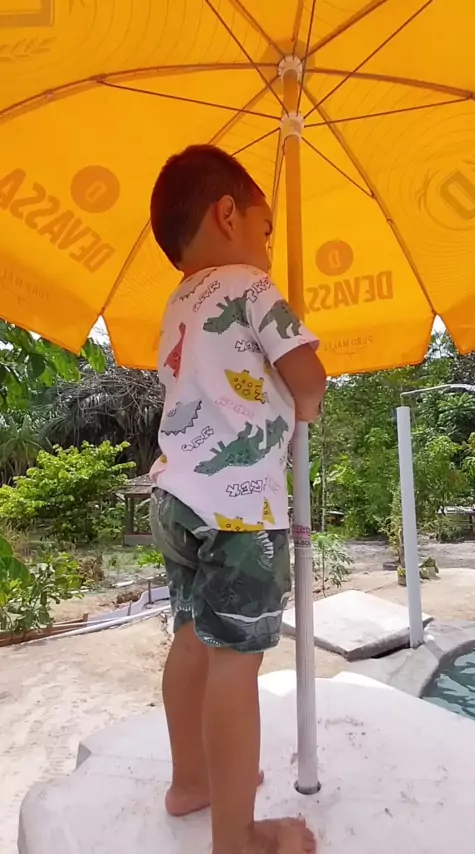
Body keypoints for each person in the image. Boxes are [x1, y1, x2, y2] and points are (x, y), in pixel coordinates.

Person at [149, 145, 326, 854]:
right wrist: (304, 403)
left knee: (193, 635)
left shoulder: (176, 306)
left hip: (174, 498)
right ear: (229, 215)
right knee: (235, 662)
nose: (270, 246)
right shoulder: (252, 286)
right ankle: (238, 837)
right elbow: (309, 380)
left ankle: (190, 780)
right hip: (240, 508)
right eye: (268, 228)